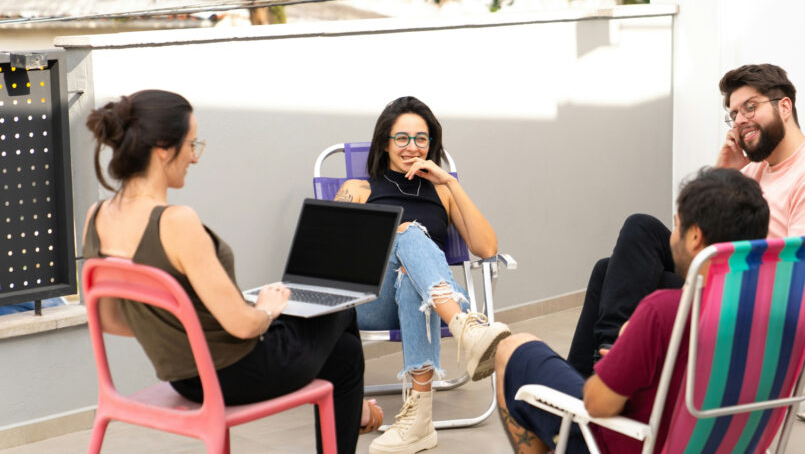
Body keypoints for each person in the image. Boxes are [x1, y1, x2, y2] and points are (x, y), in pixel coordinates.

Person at [82, 90, 380, 454]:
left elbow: (110, 321)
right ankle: (359, 408)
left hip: (184, 378)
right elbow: (243, 327)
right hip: (238, 375)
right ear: (163, 148)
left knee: (346, 354)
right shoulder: (176, 222)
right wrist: (268, 307)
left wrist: (178, 327)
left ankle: (358, 405)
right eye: (191, 144)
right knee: (342, 307)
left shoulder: (97, 217)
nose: (194, 156)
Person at [567, 63, 805, 377]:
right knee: (631, 239)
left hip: (771, 316)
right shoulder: (759, 169)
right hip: (737, 286)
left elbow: (803, 279)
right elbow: (706, 223)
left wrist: (721, 274)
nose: (741, 121)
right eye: (734, 114)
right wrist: (724, 173)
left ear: (784, 106)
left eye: (751, 107)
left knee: (642, 288)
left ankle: (605, 372)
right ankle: (600, 364)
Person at [494, 167, 771, 454]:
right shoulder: (781, 316)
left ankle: (602, 363)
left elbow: (597, 404)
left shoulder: (663, 311)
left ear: (694, 238)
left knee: (512, 347)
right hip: (722, 443)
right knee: (607, 269)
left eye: (676, 225)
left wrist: (625, 347)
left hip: (628, 441)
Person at [333, 96, 511, 454]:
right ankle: (467, 329)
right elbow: (334, 258)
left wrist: (452, 184)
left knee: (415, 287)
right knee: (410, 231)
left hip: (425, 296)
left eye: (421, 138)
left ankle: (419, 421)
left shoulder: (442, 192)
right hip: (373, 299)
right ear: (385, 142)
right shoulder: (359, 189)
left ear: (432, 144)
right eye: (402, 138)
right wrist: (390, 236)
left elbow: (487, 248)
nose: (411, 147)